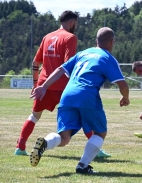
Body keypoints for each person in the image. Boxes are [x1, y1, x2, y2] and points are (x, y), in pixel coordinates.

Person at [29, 27, 130, 174]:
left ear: (96, 40)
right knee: (100, 133)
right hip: (87, 95)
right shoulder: (107, 57)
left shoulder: (82, 53)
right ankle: (83, 165)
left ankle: (45, 142)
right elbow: (123, 84)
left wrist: (43, 86)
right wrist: (125, 98)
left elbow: (60, 70)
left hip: (67, 95)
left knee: (64, 137)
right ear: (111, 41)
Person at [14, 10, 110, 158]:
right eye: (76, 24)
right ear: (72, 23)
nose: (75, 27)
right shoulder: (70, 38)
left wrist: (36, 84)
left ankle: (20, 147)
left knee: (34, 116)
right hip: (63, 87)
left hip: (44, 84)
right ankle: (96, 150)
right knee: (82, 114)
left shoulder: (47, 37)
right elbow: (68, 64)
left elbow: (35, 62)